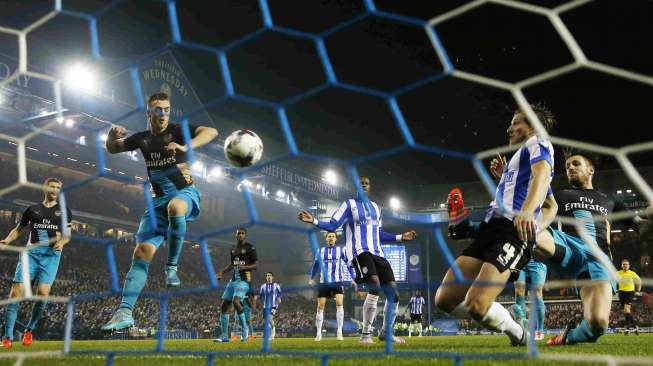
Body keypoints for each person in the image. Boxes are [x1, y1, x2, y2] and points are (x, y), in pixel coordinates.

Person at [435, 103, 556, 346]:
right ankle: (499, 313)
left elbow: (543, 176)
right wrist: (504, 178)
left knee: (476, 306)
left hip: (511, 234)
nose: (509, 128)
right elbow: (551, 204)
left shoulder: (539, 142)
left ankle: (519, 334)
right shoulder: (518, 160)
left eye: (516, 122)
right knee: (444, 300)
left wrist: (527, 216)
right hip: (491, 229)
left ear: (532, 125)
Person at [101, 92, 218, 331]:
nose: (163, 113)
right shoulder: (142, 139)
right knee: (141, 253)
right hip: (157, 204)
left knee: (176, 207)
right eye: (158, 109)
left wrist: (187, 145)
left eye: (166, 109)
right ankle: (124, 312)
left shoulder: (177, 130)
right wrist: (110, 137)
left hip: (184, 193)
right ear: (149, 113)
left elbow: (211, 132)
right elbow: (113, 149)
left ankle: (171, 268)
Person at [529, 152, 646, 346]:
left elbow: (640, 224)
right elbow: (533, 204)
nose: (570, 168)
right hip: (569, 247)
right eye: (567, 166)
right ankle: (516, 258)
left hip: (598, 261)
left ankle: (568, 336)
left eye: (576, 164)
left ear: (590, 170)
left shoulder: (609, 199)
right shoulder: (560, 194)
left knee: (598, 325)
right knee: (527, 229)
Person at [298, 176, 417, 344]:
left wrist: (400, 237)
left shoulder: (376, 208)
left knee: (394, 294)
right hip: (359, 252)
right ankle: (366, 334)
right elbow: (333, 225)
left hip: (378, 253)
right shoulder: (348, 205)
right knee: (374, 286)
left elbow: (379, 234)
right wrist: (314, 220)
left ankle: (386, 333)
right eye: (360, 182)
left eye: (366, 183)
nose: (363, 185)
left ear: (370, 187)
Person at [1, 178, 72, 347]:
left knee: (42, 294)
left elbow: (67, 234)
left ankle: (29, 330)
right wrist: (6, 240)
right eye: (52, 187)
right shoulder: (32, 210)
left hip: (51, 256)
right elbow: (19, 229)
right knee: (15, 295)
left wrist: (61, 243)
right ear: (45, 188)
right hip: (31, 254)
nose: (55, 190)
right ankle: (7, 337)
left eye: (58, 188)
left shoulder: (64, 210)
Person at [309, 231, 355, 341]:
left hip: (337, 281)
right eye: (329, 236)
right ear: (326, 238)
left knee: (339, 304)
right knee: (320, 306)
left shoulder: (341, 250)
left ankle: (339, 331)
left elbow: (349, 264)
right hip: (324, 282)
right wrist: (311, 278)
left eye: (333, 236)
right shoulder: (320, 251)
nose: (331, 238)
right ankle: (318, 333)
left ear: (335, 239)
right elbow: (315, 266)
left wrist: (353, 277)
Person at [214, 228, 257, 342]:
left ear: (245, 235)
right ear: (236, 235)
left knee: (236, 301)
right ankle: (224, 336)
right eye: (239, 233)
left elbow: (255, 265)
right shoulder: (233, 249)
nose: (241, 235)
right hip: (233, 281)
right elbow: (232, 265)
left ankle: (245, 330)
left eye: (243, 233)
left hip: (244, 281)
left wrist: (245, 267)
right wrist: (221, 272)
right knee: (224, 307)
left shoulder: (250, 248)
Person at [513, 259, 547, 340]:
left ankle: (540, 330)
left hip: (536, 260)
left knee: (537, 292)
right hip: (520, 259)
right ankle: (523, 330)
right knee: (519, 292)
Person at [617, 259, 642, 335]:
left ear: (629, 266)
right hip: (621, 293)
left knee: (627, 309)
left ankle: (627, 328)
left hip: (630, 292)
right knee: (626, 311)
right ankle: (634, 327)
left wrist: (638, 290)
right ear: (621, 265)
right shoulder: (618, 273)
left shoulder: (632, 273)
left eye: (626, 264)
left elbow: (639, 281)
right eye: (623, 264)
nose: (625, 265)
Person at [259, 272, 282, 340]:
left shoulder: (276, 285)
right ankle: (271, 332)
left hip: (273, 305)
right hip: (265, 306)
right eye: (267, 275)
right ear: (266, 277)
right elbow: (261, 295)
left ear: (272, 277)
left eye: (269, 275)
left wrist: (279, 297)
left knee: (269, 318)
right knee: (267, 320)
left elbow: (280, 293)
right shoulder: (263, 286)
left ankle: (273, 334)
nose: (268, 276)